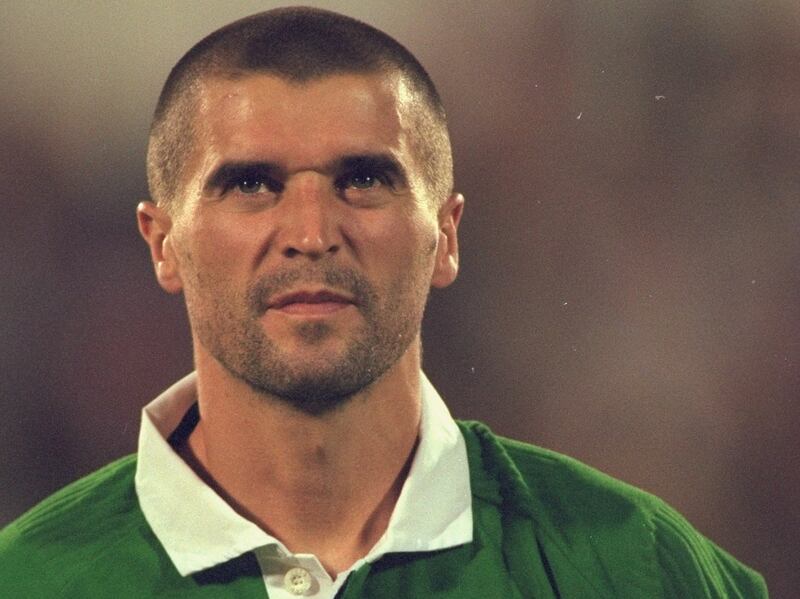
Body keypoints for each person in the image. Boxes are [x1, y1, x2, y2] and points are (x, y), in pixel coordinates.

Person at [0, 7, 767, 598]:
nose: (310, 232)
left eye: (363, 179)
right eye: (252, 184)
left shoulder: (634, 565)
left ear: (447, 233)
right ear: (161, 241)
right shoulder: (29, 579)